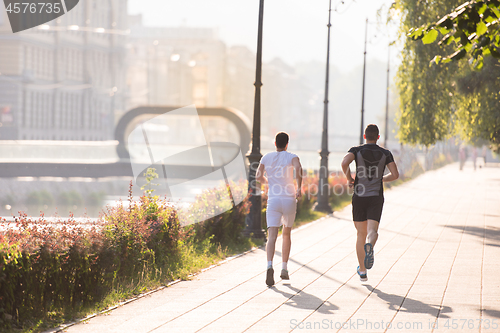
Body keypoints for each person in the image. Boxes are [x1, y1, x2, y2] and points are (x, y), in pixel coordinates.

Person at [341, 124, 399, 282]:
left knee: (360, 234)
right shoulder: (385, 153)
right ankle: (370, 247)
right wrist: (381, 179)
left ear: (364, 136)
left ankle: (362, 270)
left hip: (359, 196)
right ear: (378, 137)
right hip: (376, 197)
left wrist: (349, 179)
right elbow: (395, 174)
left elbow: (344, 163)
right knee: (372, 231)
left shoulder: (356, 150)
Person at [256, 132, 302, 287]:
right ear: (287, 144)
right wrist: (299, 187)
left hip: (273, 200)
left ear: (275, 143)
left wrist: (267, 182)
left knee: (272, 236)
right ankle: (284, 268)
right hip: (289, 199)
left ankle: (269, 265)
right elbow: (298, 170)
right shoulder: (292, 156)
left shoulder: (266, 157)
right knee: (287, 233)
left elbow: (257, 176)